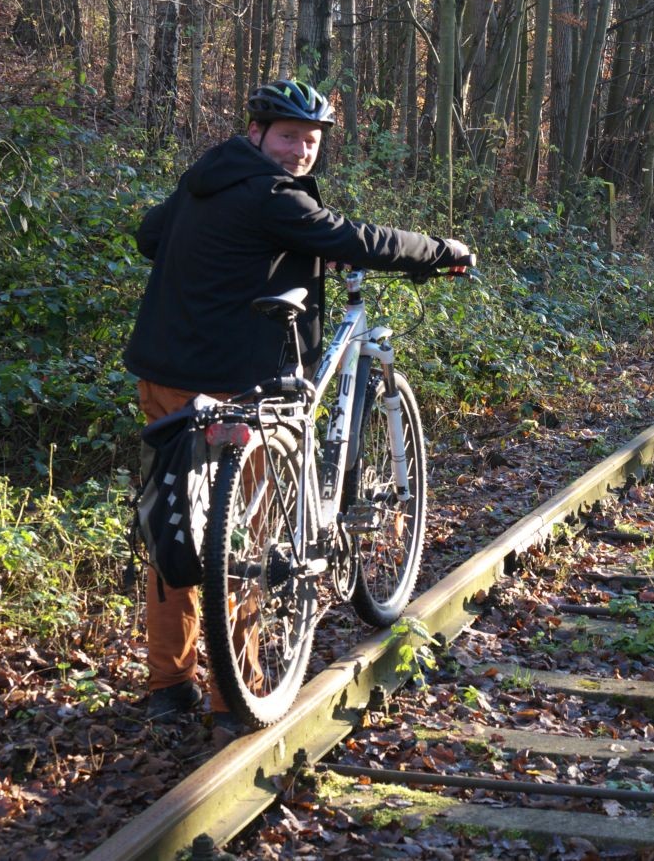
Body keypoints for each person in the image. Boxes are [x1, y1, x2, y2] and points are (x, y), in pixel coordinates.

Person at [124, 78, 471, 731]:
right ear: (257, 131)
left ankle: (169, 685)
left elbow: (151, 236)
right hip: (237, 384)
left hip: (165, 375)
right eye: (289, 137)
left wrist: (252, 259)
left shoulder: (209, 178)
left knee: (177, 518)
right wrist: (440, 250)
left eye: (310, 142)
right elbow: (354, 237)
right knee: (245, 536)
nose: (300, 151)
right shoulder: (270, 195)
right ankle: (240, 695)